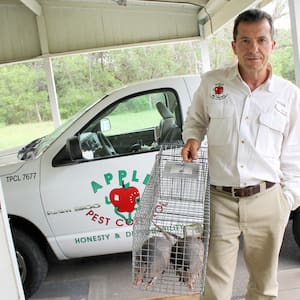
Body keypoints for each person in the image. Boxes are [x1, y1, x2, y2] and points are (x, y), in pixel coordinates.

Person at [181, 8, 300, 300]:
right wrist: (193, 138)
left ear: (273, 44)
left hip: (268, 200)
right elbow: (195, 119)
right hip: (221, 200)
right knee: (215, 287)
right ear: (234, 46)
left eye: (261, 39)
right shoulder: (212, 84)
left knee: (264, 287)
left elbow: (295, 153)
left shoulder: (289, 94)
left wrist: (287, 201)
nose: (253, 48)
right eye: (245, 40)